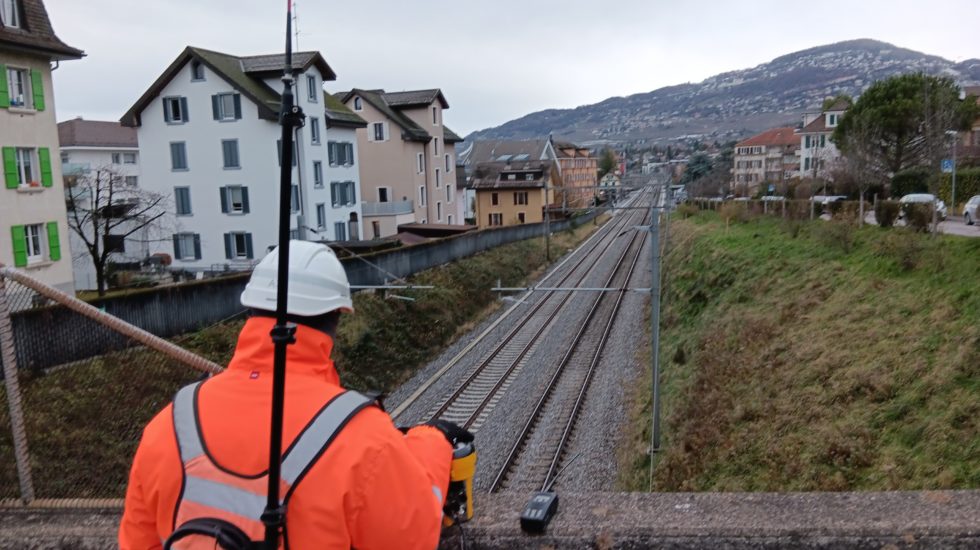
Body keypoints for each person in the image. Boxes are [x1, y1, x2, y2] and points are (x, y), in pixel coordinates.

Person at [119, 241, 471, 549]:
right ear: (336, 317)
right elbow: (411, 536)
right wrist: (432, 441)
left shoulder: (170, 424)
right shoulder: (361, 436)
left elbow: (138, 541)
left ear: (250, 309)